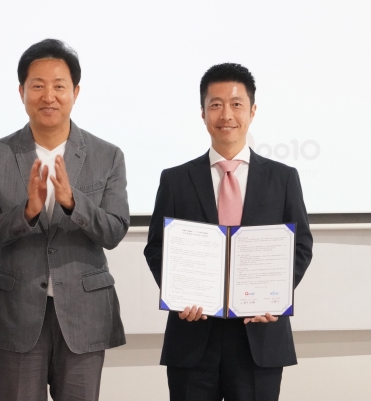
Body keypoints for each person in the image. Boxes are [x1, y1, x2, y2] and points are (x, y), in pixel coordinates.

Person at [0, 39, 130, 401]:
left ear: (75, 91)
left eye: (59, 86)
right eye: (37, 86)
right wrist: (27, 211)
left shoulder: (107, 155)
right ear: (22, 91)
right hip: (16, 312)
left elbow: (116, 229)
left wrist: (74, 203)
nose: (48, 96)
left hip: (85, 313)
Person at [144, 63, 313, 401]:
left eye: (236, 104)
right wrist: (180, 295)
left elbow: (300, 247)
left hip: (259, 334)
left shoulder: (283, 178)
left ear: (252, 111)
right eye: (216, 104)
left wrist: (273, 296)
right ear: (203, 113)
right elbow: (157, 248)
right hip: (193, 334)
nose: (226, 114)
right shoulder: (175, 180)